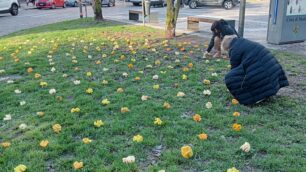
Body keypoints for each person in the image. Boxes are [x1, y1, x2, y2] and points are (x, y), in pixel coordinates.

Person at [221, 35, 289, 105]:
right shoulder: (243, 42)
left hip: (263, 71)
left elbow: (234, 68)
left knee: (230, 78)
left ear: (228, 48)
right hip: (272, 70)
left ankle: (255, 97)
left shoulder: (234, 50)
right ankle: (266, 92)